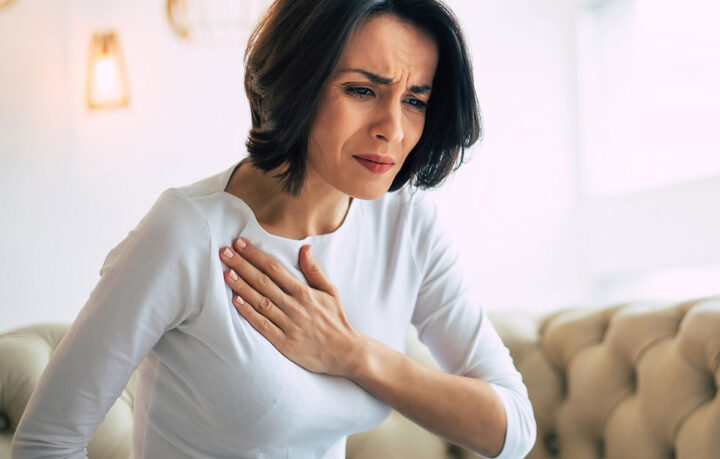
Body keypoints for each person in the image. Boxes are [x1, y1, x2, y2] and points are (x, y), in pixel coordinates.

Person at [11, 0, 536, 458]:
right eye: (361, 90)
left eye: (415, 100)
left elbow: (513, 429)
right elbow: (46, 442)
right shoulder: (186, 232)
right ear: (297, 84)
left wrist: (354, 354)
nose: (393, 129)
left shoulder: (408, 227)